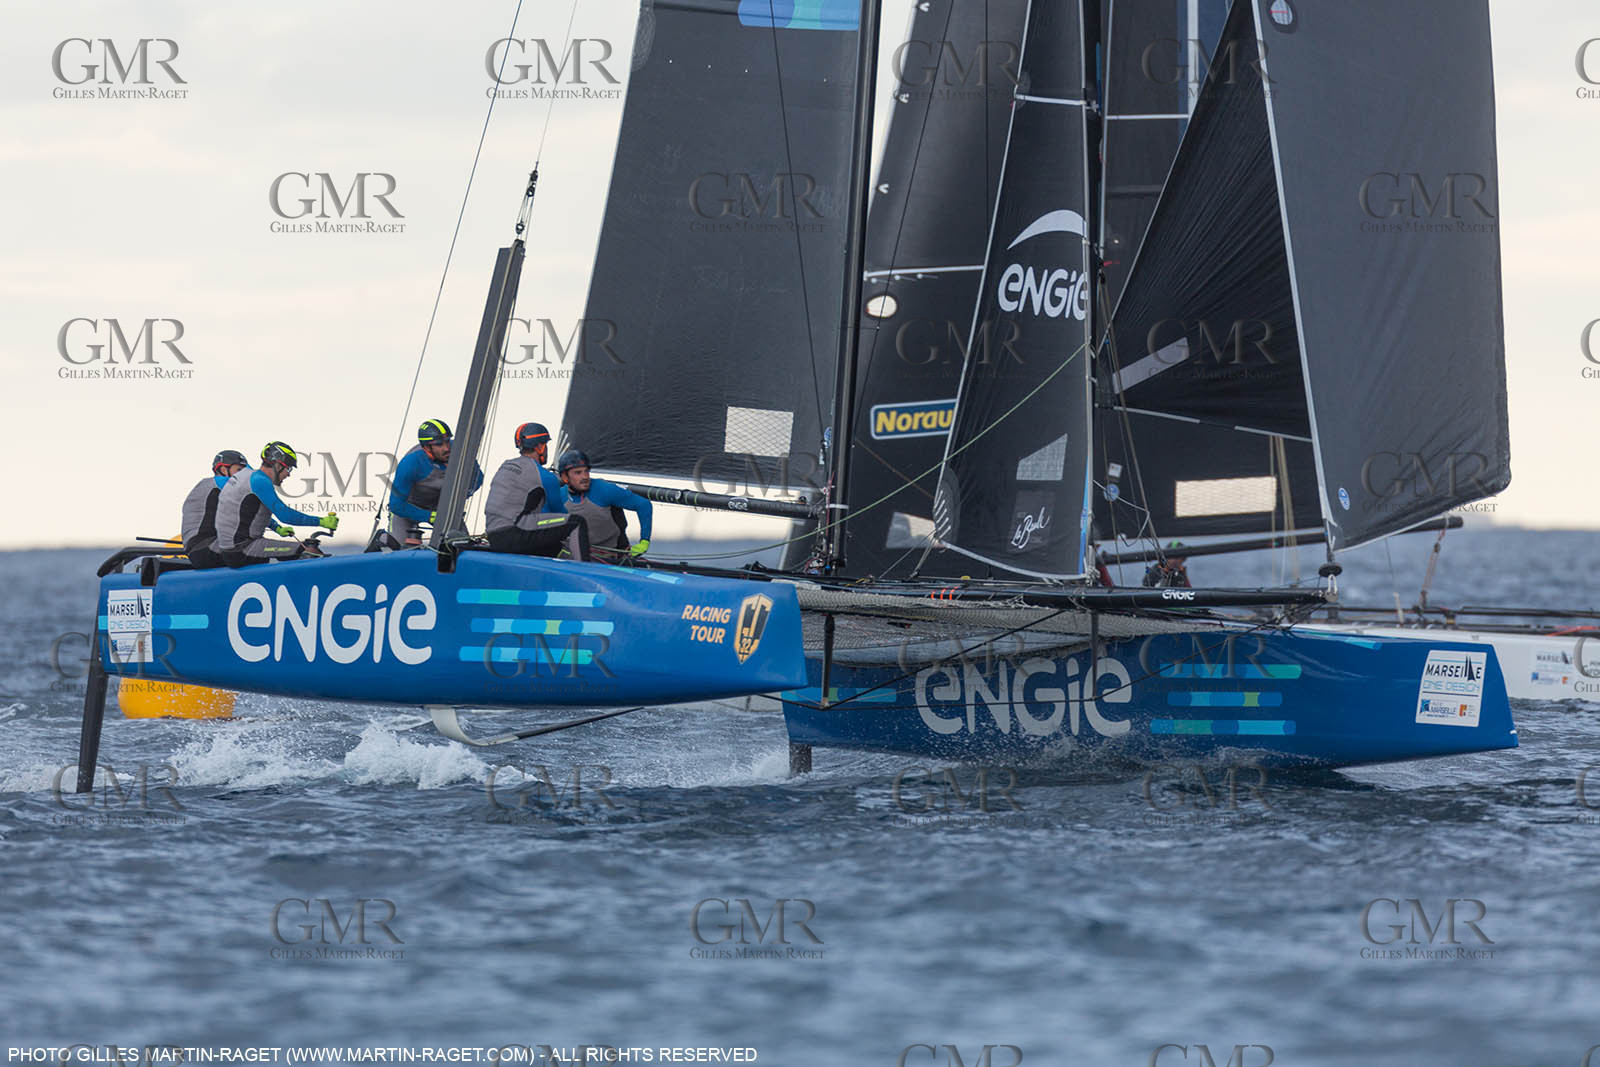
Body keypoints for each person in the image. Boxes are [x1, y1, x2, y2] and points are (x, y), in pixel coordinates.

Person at [215, 442, 339, 567]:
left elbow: (247, 514)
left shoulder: (248, 477)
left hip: (233, 548)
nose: (288, 474)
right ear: (278, 466)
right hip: (242, 549)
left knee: (296, 549)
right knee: (308, 551)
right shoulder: (260, 481)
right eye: (288, 468)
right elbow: (286, 515)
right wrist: (321, 521)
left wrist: (277, 528)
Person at [483, 422, 591, 560]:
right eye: (546, 445)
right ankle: (582, 568)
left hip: (494, 536)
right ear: (540, 447)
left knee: (554, 546)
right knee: (576, 523)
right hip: (516, 532)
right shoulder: (544, 476)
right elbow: (560, 512)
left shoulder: (506, 466)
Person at [388, 418, 483, 546]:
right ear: (427, 447)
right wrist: (431, 516)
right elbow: (396, 505)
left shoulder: (460, 452)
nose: (446, 448)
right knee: (397, 546)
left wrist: (458, 500)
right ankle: (382, 540)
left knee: (461, 545)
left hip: (441, 506)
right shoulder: (411, 463)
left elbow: (478, 479)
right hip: (408, 507)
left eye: (447, 441)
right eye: (439, 445)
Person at [557, 448, 652, 562]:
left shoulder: (604, 489)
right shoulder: (559, 496)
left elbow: (644, 505)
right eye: (578, 473)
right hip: (575, 557)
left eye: (586, 471)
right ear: (565, 477)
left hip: (612, 557)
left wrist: (644, 541)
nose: (585, 477)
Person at [180, 449, 249, 569]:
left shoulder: (220, 489)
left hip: (203, 549)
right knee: (265, 550)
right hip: (206, 548)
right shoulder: (219, 482)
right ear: (223, 469)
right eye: (239, 470)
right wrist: (277, 527)